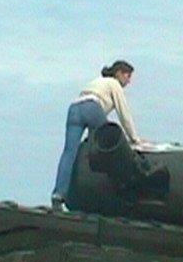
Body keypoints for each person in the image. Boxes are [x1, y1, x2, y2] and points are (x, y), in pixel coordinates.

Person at [51, 60, 143, 211]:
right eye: (128, 76)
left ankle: (58, 195)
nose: (129, 81)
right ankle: (109, 193)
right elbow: (124, 114)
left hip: (75, 109)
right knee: (108, 148)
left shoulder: (97, 81)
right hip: (92, 108)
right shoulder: (114, 84)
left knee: (69, 153)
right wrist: (134, 139)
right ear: (119, 73)